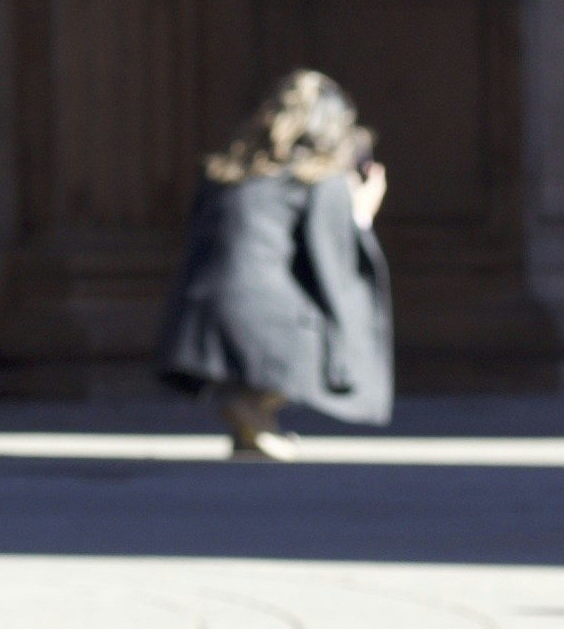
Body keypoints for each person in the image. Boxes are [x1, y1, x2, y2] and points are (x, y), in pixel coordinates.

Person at [153, 68, 393, 452]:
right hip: (263, 324)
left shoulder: (224, 174)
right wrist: (360, 216)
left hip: (197, 316)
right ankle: (251, 406)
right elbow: (334, 265)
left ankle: (255, 424)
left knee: (281, 304)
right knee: (342, 321)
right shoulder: (318, 180)